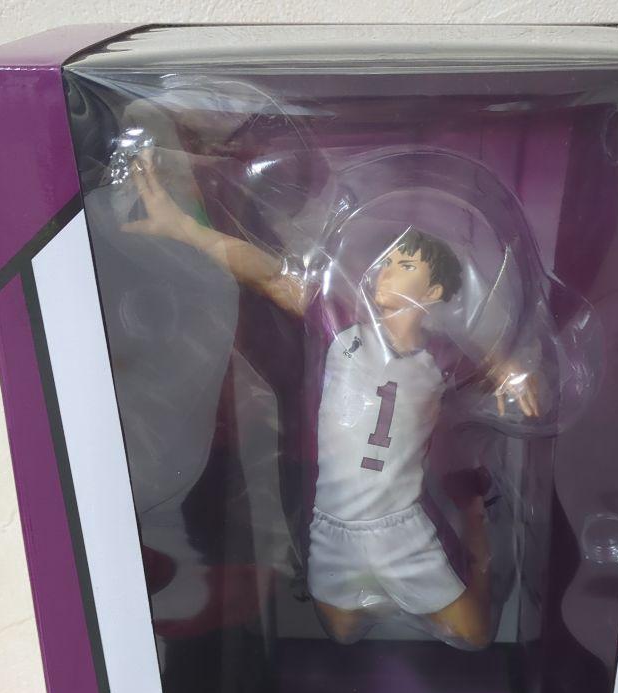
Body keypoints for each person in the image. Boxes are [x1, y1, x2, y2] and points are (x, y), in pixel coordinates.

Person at [123, 149, 541, 649]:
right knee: (342, 633)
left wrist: (510, 370)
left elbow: (488, 360)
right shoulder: (338, 324)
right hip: (332, 522)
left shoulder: (442, 355)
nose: (384, 270)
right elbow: (269, 274)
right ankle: (377, 594)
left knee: (473, 635)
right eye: (386, 261)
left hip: (399, 525)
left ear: (432, 291)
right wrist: (184, 229)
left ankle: (475, 536)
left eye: (403, 264)